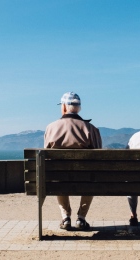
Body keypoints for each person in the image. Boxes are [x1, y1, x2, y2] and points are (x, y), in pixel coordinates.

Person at [44, 91, 102, 230]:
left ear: (64, 107)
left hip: (60, 178)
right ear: (79, 108)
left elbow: (45, 156)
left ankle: (65, 218)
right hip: (85, 178)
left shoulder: (51, 127)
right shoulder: (91, 129)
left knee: (57, 177)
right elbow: (99, 156)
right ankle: (81, 218)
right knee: (91, 178)